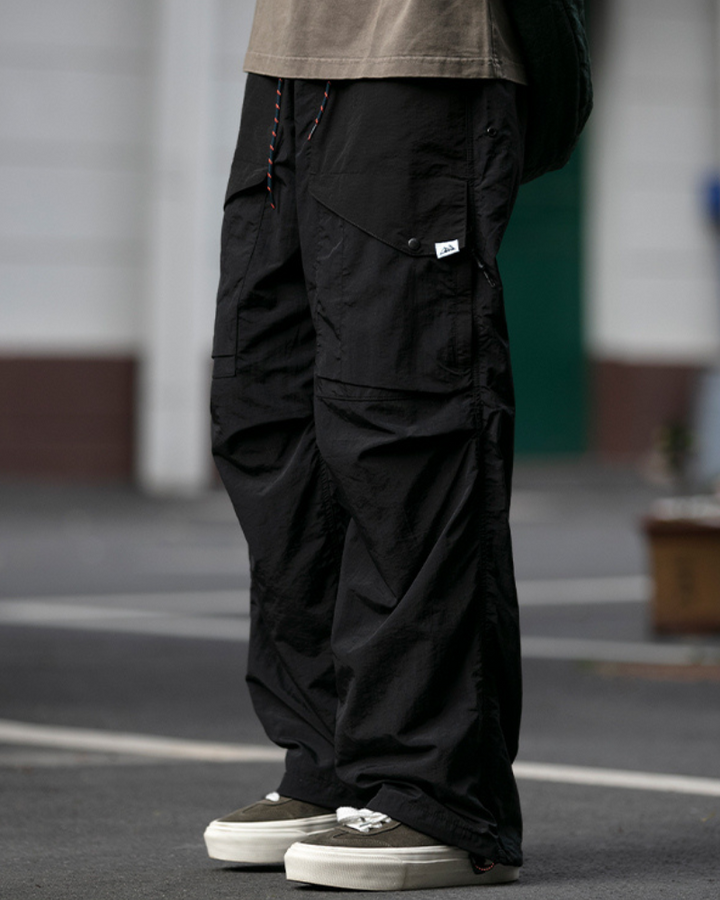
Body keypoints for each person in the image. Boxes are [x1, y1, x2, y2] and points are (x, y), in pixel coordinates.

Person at [204, 0, 592, 891]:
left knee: (403, 423)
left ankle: (435, 792)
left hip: (422, 50)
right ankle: (333, 762)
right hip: (288, 60)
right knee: (268, 414)